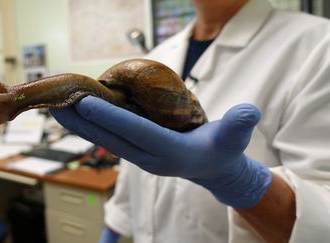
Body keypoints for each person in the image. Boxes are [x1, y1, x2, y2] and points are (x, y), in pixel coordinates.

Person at [50, 0, 330, 242]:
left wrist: (242, 184)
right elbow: (134, 168)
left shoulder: (317, 45)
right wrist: (113, 228)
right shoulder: (159, 53)